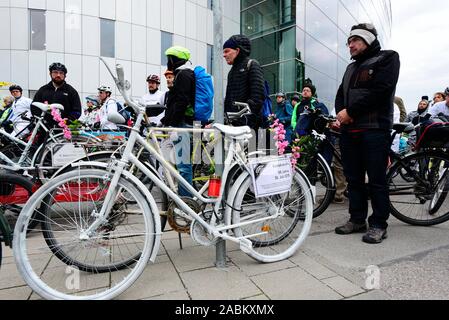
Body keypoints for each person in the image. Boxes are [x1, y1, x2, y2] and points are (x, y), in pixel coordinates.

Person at [334, 23, 400, 244]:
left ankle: (379, 224)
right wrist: (341, 114)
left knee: (377, 180)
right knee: (353, 179)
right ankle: (357, 219)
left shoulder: (388, 58)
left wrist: (350, 112)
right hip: (349, 131)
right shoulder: (350, 68)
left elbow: (381, 91)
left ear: (367, 40)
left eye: (354, 40)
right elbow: (340, 95)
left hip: (374, 130)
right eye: (348, 42)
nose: (350, 45)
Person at [162, 46, 196, 197]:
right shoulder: (181, 74)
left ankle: (186, 202)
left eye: (169, 59)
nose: (168, 62)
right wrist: (165, 120)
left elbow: (181, 102)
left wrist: (173, 123)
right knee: (182, 164)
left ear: (175, 60)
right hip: (181, 123)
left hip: (183, 124)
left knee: (184, 166)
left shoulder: (184, 75)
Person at [223, 34, 265, 130]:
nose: (224, 55)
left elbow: (258, 97)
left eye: (227, 51)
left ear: (237, 50)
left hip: (248, 127)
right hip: (232, 125)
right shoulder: (231, 72)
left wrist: (244, 119)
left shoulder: (252, 65)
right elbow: (229, 100)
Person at [32, 63, 82, 127]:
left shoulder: (71, 91)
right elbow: (34, 106)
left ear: (65, 75)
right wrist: (40, 119)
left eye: (61, 73)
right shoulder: (43, 90)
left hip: (63, 129)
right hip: (44, 128)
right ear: (50, 74)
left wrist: (69, 120)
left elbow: (77, 111)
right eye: (55, 72)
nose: (58, 75)